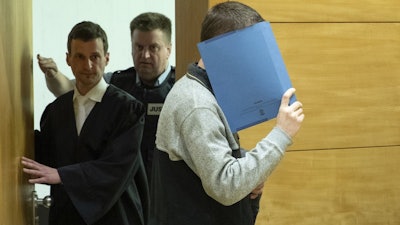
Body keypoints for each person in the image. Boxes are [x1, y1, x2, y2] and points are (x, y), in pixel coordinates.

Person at [150, 2, 305, 225]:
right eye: (249, 51)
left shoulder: (201, 91)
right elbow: (226, 185)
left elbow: (212, 161)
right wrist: (281, 134)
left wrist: (251, 176)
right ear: (226, 49)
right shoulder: (197, 103)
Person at [22, 21, 149, 225]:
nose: (88, 66)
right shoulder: (56, 111)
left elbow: (116, 166)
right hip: (66, 216)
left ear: (107, 58)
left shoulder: (128, 109)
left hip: (116, 216)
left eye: (95, 57)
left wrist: (63, 176)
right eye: (80, 57)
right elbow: (45, 156)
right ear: (68, 59)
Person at [37, 12, 174, 179]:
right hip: (123, 183)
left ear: (168, 50)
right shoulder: (116, 82)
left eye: (153, 47)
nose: (145, 55)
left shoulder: (180, 88)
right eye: (139, 47)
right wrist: (53, 74)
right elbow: (73, 91)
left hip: (165, 186)